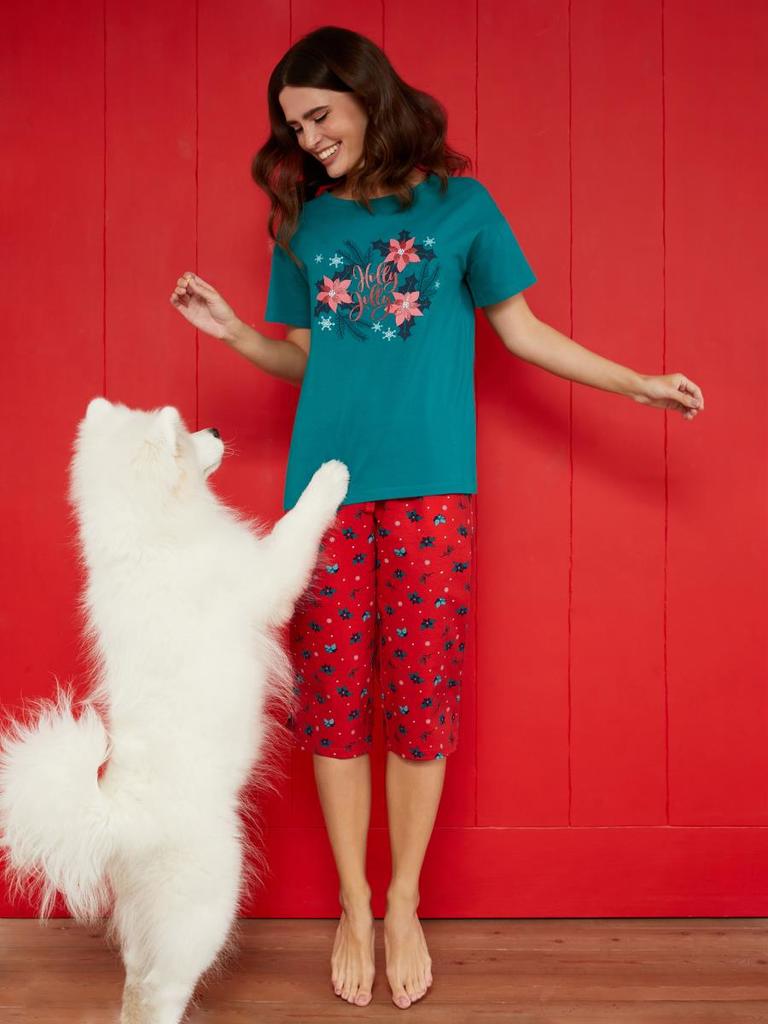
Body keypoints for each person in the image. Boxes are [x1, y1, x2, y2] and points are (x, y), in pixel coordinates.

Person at [170, 25, 705, 1012]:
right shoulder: (306, 224)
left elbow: (522, 332)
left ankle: (404, 900)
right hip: (323, 497)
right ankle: (354, 903)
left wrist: (638, 384)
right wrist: (238, 333)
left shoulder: (464, 207)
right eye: (294, 127)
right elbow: (308, 359)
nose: (308, 139)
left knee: (421, 700)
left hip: (430, 494)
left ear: (366, 94)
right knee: (334, 699)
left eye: (318, 116)